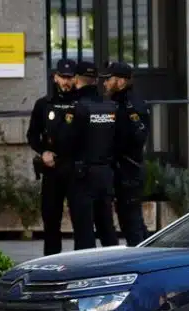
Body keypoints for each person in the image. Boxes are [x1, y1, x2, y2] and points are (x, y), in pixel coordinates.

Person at [26, 58, 78, 256]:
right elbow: (32, 135)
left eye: (70, 77)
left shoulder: (80, 102)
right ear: (55, 77)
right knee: (50, 219)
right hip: (52, 169)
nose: (66, 81)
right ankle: (52, 262)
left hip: (74, 170)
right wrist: (43, 151)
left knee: (80, 222)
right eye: (63, 77)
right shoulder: (44, 104)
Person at [71, 61, 119, 248]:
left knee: (84, 229)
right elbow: (118, 139)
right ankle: (115, 265)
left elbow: (68, 140)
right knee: (106, 225)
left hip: (83, 174)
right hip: (106, 172)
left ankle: (85, 271)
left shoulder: (78, 107)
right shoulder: (110, 106)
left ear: (76, 79)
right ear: (96, 80)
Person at [101, 61, 150, 246]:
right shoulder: (114, 102)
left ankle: (141, 259)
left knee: (132, 222)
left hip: (129, 169)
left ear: (121, 81)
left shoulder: (131, 105)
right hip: (119, 169)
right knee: (129, 219)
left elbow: (138, 136)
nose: (105, 83)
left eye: (109, 79)